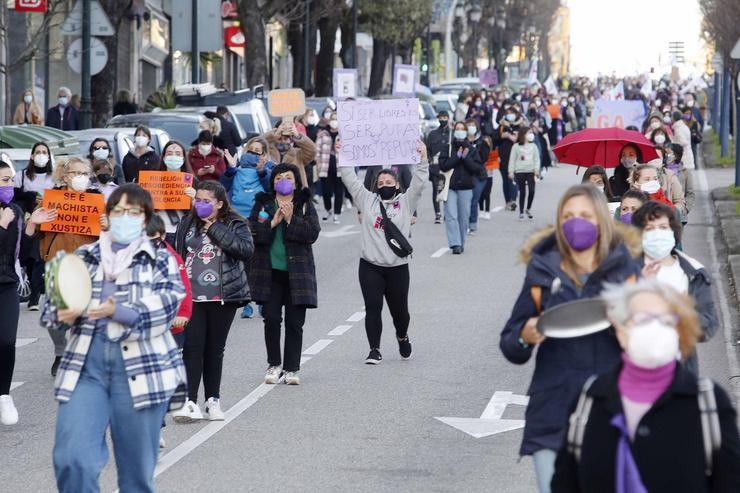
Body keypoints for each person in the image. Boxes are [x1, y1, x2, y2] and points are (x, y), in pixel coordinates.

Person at [42, 184, 186, 492]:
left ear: (146, 219)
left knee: (136, 477)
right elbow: (51, 302)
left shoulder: (160, 259)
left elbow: (169, 301)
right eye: (118, 211)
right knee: (73, 460)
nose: (125, 217)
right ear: (106, 217)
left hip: (140, 370)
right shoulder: (83, 256)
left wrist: (120, 310)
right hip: (87, 369)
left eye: (134, 212)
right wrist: (61, 311)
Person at [499, 184, 641, 493]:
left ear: (602, 220)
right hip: (552, 413)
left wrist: (629, 335)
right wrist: (525, 335)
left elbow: (654, 347)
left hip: (611, 415)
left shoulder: (626, 272)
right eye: (569, 216)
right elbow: (511, 344)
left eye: (586, 216)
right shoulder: (541, 271)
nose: (576, 223)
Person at [551, 280, 740, 492]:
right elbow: (565, 484)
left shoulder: (709, 403)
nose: (655, 328)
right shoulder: (589, 399)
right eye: (642, 319)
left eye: (666, 320)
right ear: (620, 330)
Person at [339, 141, 427, 364]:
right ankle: (374, 349)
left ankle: (402, 335)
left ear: (397, 185)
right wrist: (342, 154)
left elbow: (418, 182)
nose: (385, 184)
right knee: (373, 308)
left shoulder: (406, 202)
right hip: (370, 266)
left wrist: (423, 158)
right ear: (375, 186)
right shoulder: (367, 199)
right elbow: (349, 178)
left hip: (397, 268)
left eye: (389, 182)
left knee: (401, 314)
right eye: (381, 182)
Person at [172, 180, 253, 422]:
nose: (201, 205)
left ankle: (213, 401)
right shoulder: (187, 222)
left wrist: (214, 229)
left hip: (222, 296)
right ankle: (189, 401)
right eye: (198, 200)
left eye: (206, 201)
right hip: (192, 296)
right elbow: (178, 251)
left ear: (219, 203)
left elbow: (245, 250)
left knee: (215, 350)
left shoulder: (235, 223)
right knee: (193, 347)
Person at [249, 164, 320, 383]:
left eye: (288, 177)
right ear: (273, 182)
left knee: (294, 323)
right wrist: (273, 222)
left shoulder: (304, 204)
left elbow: (312, 233)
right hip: (269, 272)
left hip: (297, 273)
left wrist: (291, 219)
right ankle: (273, 364)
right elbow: (252, 233)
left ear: (296, 182)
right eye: (279, 177)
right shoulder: (263, 203)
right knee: (270, 319)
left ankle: (292, 368)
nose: (283, 181)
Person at [631, 201, 717, 374]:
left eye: (663, 227)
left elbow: (709, 324)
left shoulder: (693, 272)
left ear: (673, 231)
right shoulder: (627, 270)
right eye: (649, 229)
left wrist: (678, 318)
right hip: (634, 369)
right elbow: (612, 319)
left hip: (680, 370)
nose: (657, 233)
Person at [0, 154, 54, 426]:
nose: (9, 186)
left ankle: (4, 395)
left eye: (10, 181)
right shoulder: (6, 216)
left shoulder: (16, 211)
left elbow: (20, 252)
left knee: (7, 341)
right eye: (4, 181)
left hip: (7, 284)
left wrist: (33, 224)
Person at [39, 157, 103, 377]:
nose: (81, 178)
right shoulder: (50, 200)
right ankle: (61, 351)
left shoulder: (97, 201)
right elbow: (36, 232)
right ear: (65, 176)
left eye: (85, 174)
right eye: (77, 173)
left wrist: (107, 224)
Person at [221, 137, 273, 319]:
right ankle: (247, 302)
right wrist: (230, 169)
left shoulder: (269, 168)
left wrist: (262, 171)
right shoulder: (236, 169)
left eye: (257, 152)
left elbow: (271, 189)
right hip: (237, 219)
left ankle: (261, 300)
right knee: (243, 261)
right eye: (250, 151)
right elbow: (223, 186)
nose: (252, 155)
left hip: (258, 219)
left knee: (259, 262)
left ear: (264, 155)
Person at [13, 143, 56, 310]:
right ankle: (33, 286)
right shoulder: (22, 176)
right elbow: (15, 199)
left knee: (40, 257)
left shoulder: (54, 177)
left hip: (50, 221)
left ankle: (36, 296)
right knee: (29, 257)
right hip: (29, 221)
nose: (41, 155)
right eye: (38, 152)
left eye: (44, 152)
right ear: (31, 156)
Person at [440, 122, 483, 254]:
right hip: (450, 187)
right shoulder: (447, 147)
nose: (459, 131)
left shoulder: (472, 149)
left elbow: (477, 168)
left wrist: (465, 158)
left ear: (466, 131)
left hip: (466, 187)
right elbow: (444, 165)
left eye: (462, 129)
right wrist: (457, 157)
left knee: (464, 217)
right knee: (451, 215)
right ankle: (455, 244)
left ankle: (461, 241)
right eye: (457, 129)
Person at [265, 120, 317, 187]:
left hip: (295, 193)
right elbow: (255, 144)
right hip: (272, 192)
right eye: (280, 138)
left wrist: (298, 135)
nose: (283, 141)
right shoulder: (266, 152)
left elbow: (312, 151)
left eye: (286, 138)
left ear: (291, 139)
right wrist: (274, 134)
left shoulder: (298, 154)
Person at [315, 110, 344, 223]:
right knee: (326, 191)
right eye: (333, 119)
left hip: (340, 167)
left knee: (339, 191)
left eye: (336, 119)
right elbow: (317, 150)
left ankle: (337, 213)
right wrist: (317, 163)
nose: (334, 121)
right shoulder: (323, 134)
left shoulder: (344, 134)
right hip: (324, 166)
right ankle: (328, 209)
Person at [426, 111, 452, 223]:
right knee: (436, 189)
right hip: (435, 167)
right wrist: (430, 160)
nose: (443, 119)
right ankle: (437, 213)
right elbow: (427, 149)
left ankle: (448, 212)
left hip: (449, 166)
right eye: (441, 117)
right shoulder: (432, 134)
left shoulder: (452, 134)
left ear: (448, 118)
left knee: (447, 190)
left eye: (445, 117)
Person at [508, 126, 540, 220]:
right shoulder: (516, 146)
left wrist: (536, 170)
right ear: (523, 134)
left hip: (531, 171)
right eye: (528, 133)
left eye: (531, 133)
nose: (531, 134)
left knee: (532, 190)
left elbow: (536, 159)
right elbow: (512, 160)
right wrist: (511, 171)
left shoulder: (533, 146)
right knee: (522, 191)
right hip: (520, 171)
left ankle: (528, 208)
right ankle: (521, 211)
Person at [498, 105, 525, 210]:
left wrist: (510, 136)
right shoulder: (501, 125)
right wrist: (501, 135)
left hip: (517, 156)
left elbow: (522, 139)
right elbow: (495, 138)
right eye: (508, 113)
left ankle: (513, 200)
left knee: (514, 177)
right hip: (503, 155)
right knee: (505, 179)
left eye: (512, 113)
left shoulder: (520, 126)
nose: (510, 116)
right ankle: (508, 201)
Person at [465, 119, 490, 235]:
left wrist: (470, 154)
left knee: (474, 200)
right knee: (465, 201)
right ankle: (464, 223)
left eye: (472, 125)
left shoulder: (482, 142)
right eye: (468, 125)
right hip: (465, 175)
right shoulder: (461, 142)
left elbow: (482, 159)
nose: (471, 127)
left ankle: (473, 225)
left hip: (479, 176)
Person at [663, 143, 694, 224]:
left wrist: (686, 208)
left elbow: (690, 193)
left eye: (669, 153)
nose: (667, 155)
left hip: (680, 213)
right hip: (663, 213)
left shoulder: (685, 172)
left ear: (676, 155)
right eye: (665, 153)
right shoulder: (661, 171)